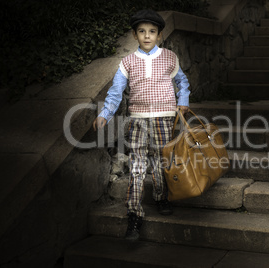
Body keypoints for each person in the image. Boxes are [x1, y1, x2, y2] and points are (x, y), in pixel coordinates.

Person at [93, 9, 190, 241]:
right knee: (137, 166)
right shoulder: (127, 62)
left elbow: (182, 81)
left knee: (159, 159)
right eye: (142, 31)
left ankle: (160, 195)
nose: (147, 36)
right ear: (135, 35)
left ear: (159, 35)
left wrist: (183, 101)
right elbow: (116, 91)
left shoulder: (169, 57)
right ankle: (134, 214)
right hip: (137, 120)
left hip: (164, 118)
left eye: (152, 32)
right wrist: (105, 113)